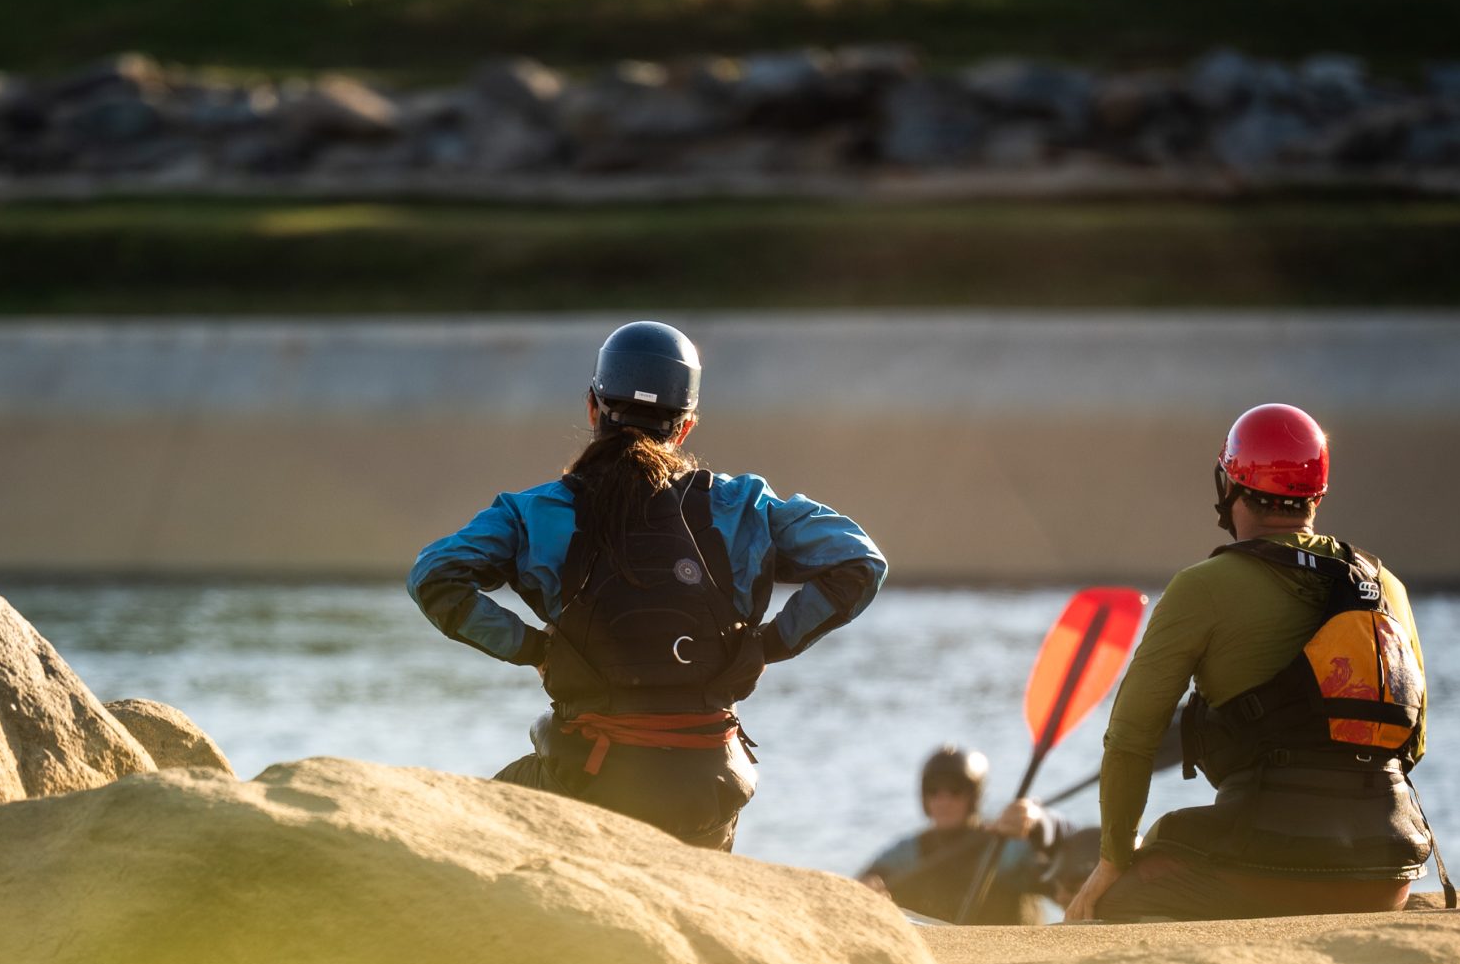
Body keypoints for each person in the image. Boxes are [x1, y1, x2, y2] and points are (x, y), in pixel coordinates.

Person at [408, 320, 886, 851]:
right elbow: (859, 561)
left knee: (471, 828)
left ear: (593, 407)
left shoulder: (533, 511)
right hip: (709, 790)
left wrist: (532, 649)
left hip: (589, 779)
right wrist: (768, 644)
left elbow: (435, 575)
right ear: (685, 427)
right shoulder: (744, 504)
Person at [1066, 403, 1447, 923]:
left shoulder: (1201, 588)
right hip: (1389, 870)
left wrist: (1112, 861)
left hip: (1267, 862)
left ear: (1230, 485)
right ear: (1317, 494)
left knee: (1123, 897)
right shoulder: (1387, 586)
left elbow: (1131, 738)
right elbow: (1414, 742)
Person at [859, 745, 1076, 924]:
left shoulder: (1006, 847)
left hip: (1008, 953)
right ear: (925, 798)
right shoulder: (907, 852)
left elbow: (1062, 867)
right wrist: (868, 889)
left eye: (955, 791)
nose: (944, 801)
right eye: (934, 791)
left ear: (973, 797)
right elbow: (863, 883)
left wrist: (1040, 826)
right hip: (938, 955)